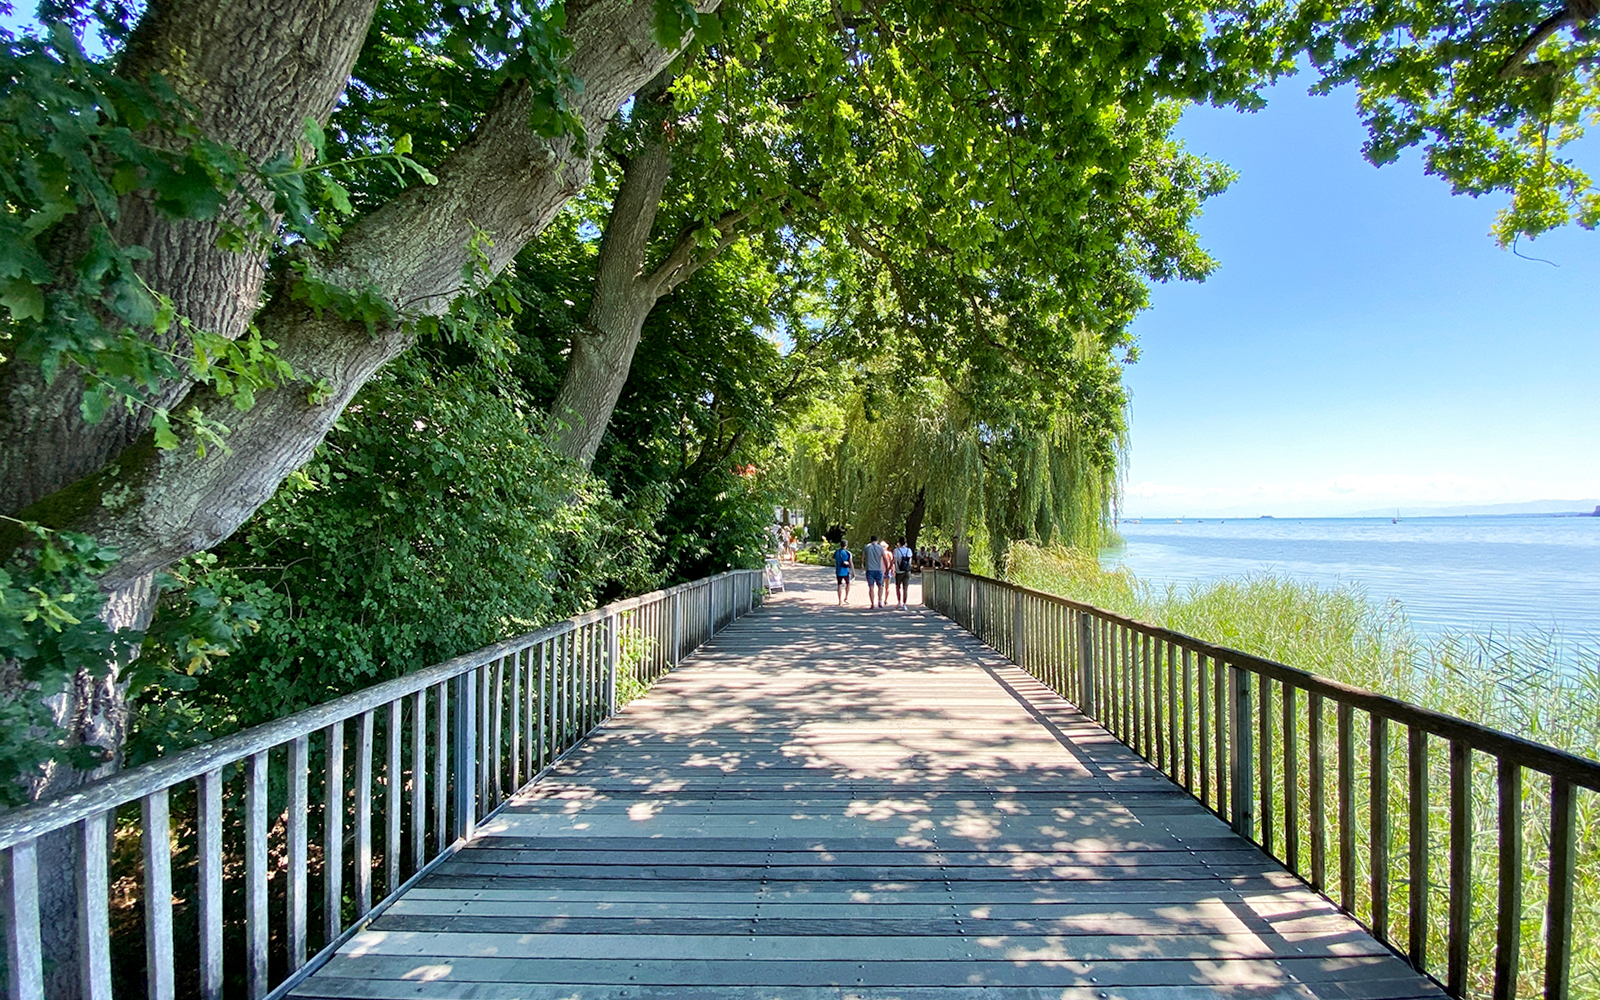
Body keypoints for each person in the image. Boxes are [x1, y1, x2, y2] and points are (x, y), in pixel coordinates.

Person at [863, 535, 886, 608]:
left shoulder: (867, 547)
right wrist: (888, 567)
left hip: (869, 569)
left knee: (871, 587)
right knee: (880, 586)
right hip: (878, 569)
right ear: (877, 540)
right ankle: (880, 601)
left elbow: (863, 557)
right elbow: (885, 558)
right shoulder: (880, 548)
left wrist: (862, 565)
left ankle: (872, 603)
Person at [892, 536, 913, 610]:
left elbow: (894, 560)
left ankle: (899, 602)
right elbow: (910, 562)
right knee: (906, 588)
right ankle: (904, 604)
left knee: (898, 587)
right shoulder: (909, 550)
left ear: (899, 543)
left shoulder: (896, 550)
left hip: (899, 571)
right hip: (907, 571)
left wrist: (891, 567)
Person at [833, 539, 854, 605]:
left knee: (839, 585)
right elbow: (851, 563)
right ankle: (846, 598)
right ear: (846, 545)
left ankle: (840, 601)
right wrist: (853, 571)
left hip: (838, 571)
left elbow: (834, 561)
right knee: (848, 584)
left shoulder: (837, 552)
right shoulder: (848, 553)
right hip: (846, 571)